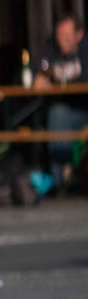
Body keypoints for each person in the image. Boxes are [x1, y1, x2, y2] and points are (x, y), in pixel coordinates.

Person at [32, 10, 86, 185]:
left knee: (58, 114)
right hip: (64, 110)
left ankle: (59, 176)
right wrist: (38, 77)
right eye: (59, 35)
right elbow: (36, 69)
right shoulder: (52, 46)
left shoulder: (86, 49)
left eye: (67, 35)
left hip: (84, 108)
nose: (62, 39)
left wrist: (59, 80)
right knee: (56, 113)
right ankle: (60, 174)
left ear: (79, 35)